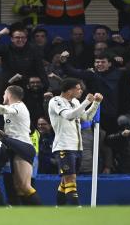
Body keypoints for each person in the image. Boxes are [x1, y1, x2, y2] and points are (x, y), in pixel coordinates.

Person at [0, 85, 42, 205]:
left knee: (25, 186)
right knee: (18, 186)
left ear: (9, 94)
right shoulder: (9, 107)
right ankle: (27, 215)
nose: (3, 96)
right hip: (14, 146)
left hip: (23, 146)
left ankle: (41, 213)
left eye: (4, 94)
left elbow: (4, 110)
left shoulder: (19, 106)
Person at [48, 78, 102, 206]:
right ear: (69, 90)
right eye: (78, 88)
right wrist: (86, 102)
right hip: (64, 146)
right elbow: (69, 116)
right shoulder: (56, 101)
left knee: (65, 181)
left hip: (77, 147)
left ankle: (58, 208)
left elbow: (86, 117)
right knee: (71, 180)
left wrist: (95, 103)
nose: (81, 91)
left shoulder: (76, 102)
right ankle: (77, 209)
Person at [0, 24, 49, 99]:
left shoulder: (33, 50)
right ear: (12, 39)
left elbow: (40, 69)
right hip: (8, 85)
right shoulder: (6, 48)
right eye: (17, 37)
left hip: (26, 86)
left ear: (26, 39)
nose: (20, 40)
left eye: (23, 38)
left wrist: (46, 87)